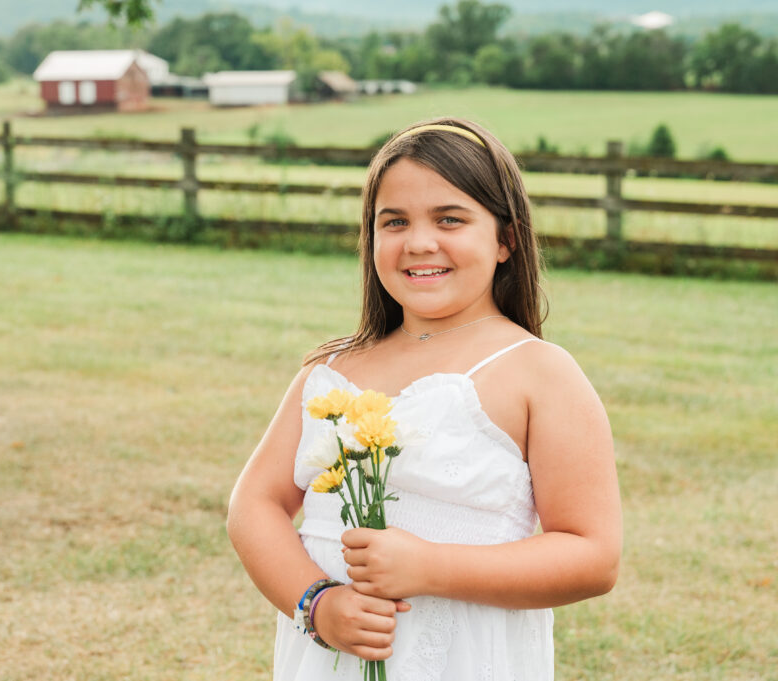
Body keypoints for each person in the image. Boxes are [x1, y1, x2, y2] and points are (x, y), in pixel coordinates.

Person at [226, 117, 622, 680]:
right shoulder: (331, 370)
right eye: (394, 222)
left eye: (450, 219)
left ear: (506, 239)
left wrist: (431, 566)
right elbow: (254, 506)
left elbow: (593, 556)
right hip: (335, 659)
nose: (418, 242)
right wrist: (318, 605)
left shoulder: (539, 372)